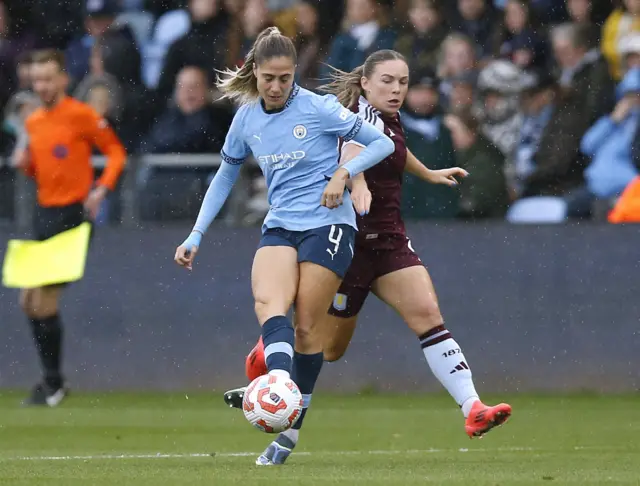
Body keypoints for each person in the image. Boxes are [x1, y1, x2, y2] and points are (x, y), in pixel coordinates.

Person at [225, 49, 512, 464]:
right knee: (325, 348)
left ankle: (473, 409)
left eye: (403, 82)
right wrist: (353, 180)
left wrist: (428, 173)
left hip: (390, 243)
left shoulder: (390, 118)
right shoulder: (348, 117)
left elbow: (393, 150)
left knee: (429, 316)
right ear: (365, 83)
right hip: (349, 247)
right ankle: (274, 396)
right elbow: (345, 150)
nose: (396, 90)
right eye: (387, 82)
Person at [173, 27, 395, 466]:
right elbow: (225, 176)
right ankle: (279, 384)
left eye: (285, 78)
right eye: (268, 77)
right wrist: (196, 233)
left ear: (295, 74)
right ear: (253, 71)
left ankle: (288, 432)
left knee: (308, 328)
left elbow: (382, 143)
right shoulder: (245, 118)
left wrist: (342, 175)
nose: (276, 86)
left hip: (328, 224)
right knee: (269, 304)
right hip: (281, 225)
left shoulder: (318, 108)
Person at [11, 49, 127, 406]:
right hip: (43, 214)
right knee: (28, 300)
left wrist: (100, 189)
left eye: (48, 78)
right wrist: (26, 164)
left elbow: (117, 154)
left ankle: (53, 384)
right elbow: (40, 170)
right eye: (36, 79)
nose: (42, 86)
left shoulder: (82, 115)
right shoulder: (33, 122)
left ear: (63, 79)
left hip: (72, 217)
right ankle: (52, 381)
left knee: (42, 301)